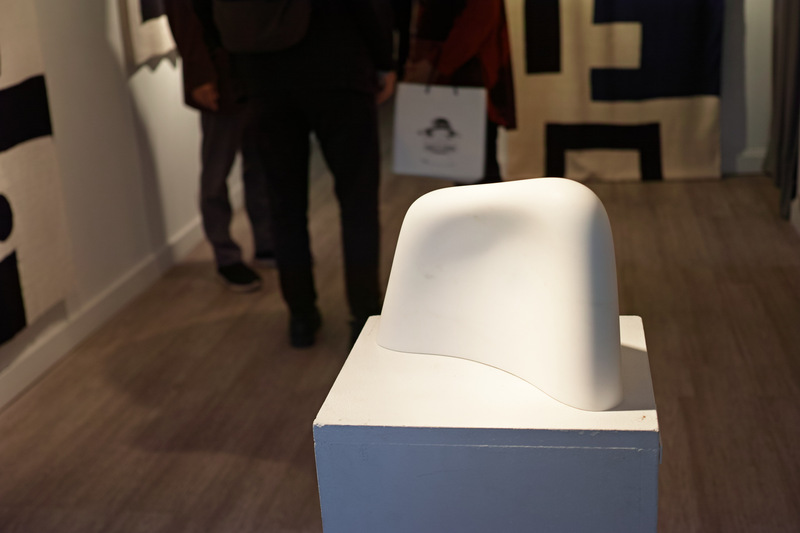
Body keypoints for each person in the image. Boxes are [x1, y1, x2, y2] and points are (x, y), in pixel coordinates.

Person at [193, 0, 396, 347]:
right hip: (338, 66)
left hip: (262, 78)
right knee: (358, 203)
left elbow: (204, 10)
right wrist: (384, 60)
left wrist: (230, 57)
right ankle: (363, 315)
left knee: (284, 206)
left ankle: (301, 316)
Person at [164, 0, 275, 292]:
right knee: (216, 173)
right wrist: (201, 75)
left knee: (260, 163)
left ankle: (266, 242)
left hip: (252, 72)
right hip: (220, 75)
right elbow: (183, 15)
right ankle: (226, 256)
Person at [404, 0, 517, 184]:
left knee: (477, 169)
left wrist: (436, 64)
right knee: (464, 167)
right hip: (455, 79)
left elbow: (478, 21)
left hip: (471, 82)